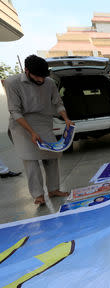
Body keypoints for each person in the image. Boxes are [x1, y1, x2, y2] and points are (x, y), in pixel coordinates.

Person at [4, 55, 73, 205]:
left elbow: (57, 102)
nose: (41, 80)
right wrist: (32, 132)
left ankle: (54, 190)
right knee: (31, 161)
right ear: (26, 71)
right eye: (37, 76)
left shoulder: (49, 82)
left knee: (52, 157)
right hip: (22, 125)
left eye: (43, 76)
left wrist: (66, 118)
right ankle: (38, 195)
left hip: (43, 122)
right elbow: (15, 111)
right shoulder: (12, 83)